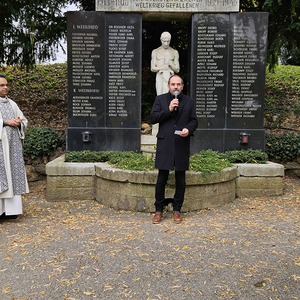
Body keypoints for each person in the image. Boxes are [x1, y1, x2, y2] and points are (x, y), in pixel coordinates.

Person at [150, 74, 198, 224]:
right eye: (173, 84)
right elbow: (153, 118)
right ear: (169, 86)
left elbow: (194, 121)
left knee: (180, 179)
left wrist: (188, 130)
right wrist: (169, 110)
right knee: (161, 178)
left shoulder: (189, 101)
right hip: (165, 143)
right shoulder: (161, 100)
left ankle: (177, 210)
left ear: (182, 86)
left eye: (178, 84)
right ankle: (158, 210)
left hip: (181, 143)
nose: (176, 87)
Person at [0, 74, 29, 219]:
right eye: (1, 85)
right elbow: (4, 121)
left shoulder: (12, 103)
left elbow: (23, 119)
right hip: (1, 147)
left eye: (6, 85)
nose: (5, 87)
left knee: (13, 175)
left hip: (13, 147)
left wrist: (19, 122)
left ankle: (11, 211)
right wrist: (5, 122)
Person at [151, 32, 180, 96]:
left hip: (170, 76)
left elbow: (177, 69)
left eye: (168, 41)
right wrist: (161, 67)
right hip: (160, 75)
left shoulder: (174, 52)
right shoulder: (155, 51)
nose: (166, 43)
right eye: (164, 41)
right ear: (161, 40)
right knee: (159, 96)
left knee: (170, 95)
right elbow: (152, 68)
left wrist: (170, 63)